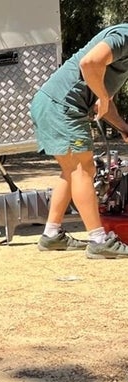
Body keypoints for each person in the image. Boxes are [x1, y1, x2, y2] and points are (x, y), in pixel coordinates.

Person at [30, 24, 128, 259]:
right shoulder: (125, 35)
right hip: (62, 107)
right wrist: (103, 98)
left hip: (53, 104)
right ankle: (99, 240)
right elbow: (89, 63)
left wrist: (124, 127)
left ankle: (51, 235)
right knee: (84, 168)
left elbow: (103, 102)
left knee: (71, 171)